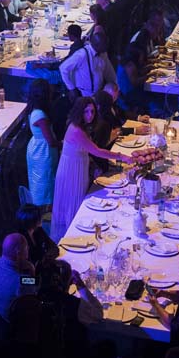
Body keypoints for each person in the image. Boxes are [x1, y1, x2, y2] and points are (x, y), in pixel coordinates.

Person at [51, 96, 127, 238]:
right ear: (80, 112)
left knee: (76, 201)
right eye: (86, 111)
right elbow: (96, 151)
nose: (90, 115)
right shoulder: (76, 130)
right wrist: (121, 156)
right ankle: (72, 237)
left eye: (92, 111)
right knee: (73, 203)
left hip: (77, 167)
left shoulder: (81, 126)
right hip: (72, 171)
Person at [24, 79, 59, 210]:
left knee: (40, 180)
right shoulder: (40, 116)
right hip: (43, 151)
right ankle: (43, 211)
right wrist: (65, 144)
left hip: (38, 147)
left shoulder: (35, 109)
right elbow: (50, 141)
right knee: (44, 180)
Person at [58, 29, 117, 99]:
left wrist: (115, 86)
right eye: (104, 45)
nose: (107, 47)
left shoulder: (103, 54)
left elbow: (109, 72)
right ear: (96, 45)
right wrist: (71, 88)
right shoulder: (82, 55)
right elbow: (63, 68)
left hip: (98, 93)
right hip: (84, 94)